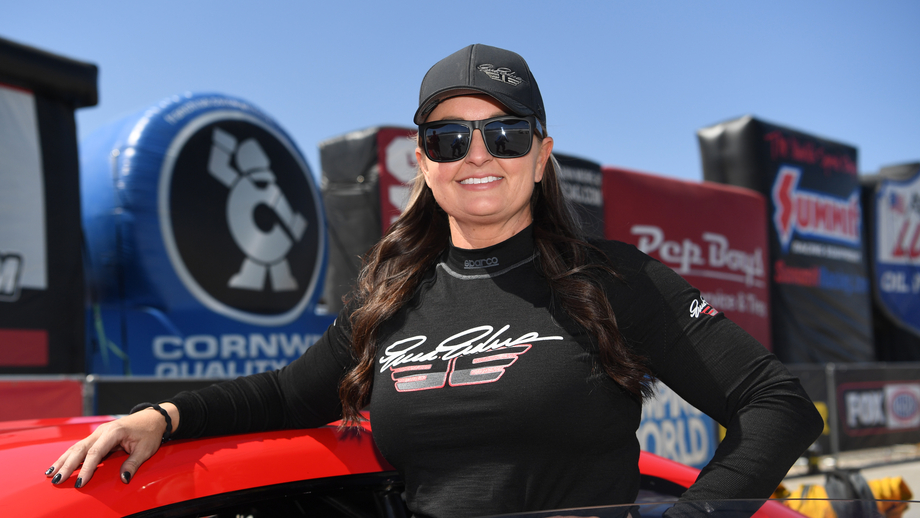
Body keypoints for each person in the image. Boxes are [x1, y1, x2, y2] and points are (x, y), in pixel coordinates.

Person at [46, 44, 824, 517]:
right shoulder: (392, 299)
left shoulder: (614, 278)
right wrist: (165, 416)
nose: (477, 154)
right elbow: (288, 394)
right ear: (423, 162)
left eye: (504, 133)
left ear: (541, 155)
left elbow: (778, 406)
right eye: (450, 138)